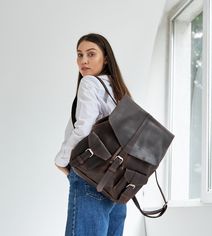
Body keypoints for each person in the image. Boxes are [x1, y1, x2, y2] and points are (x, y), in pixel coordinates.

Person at [54, 33, 131, 236]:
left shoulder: (89, 83)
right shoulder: (119, 90)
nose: (83, 60)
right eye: (79, 55)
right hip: (116, 185)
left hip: (90, 178)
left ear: (105, 58)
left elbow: (84, 128)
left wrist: (62, 161)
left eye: (91, 54)